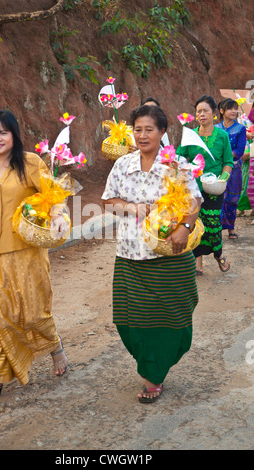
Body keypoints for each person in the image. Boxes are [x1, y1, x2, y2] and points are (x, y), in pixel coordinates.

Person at [102, 105, 202, 403]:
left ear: (162, 132)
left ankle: (153, 376)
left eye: (149, 129)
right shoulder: (123, 164)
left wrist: (185, 226)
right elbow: (108, 200)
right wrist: (131, 207)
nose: (142, 135)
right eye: (138, 129)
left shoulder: (176, 164)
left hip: (167, 257)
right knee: (128, 320)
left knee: (169, 319)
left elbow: (194, 199)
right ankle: (149, 364)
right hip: (130, 255)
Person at [0, 110, 68, 405]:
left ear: (14, 134)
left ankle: (55, 345)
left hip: (28, 251)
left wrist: (58, 216)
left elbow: (54, 194)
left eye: (3, 132)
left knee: (34, 311)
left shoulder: (31, 163)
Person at [179, 95, 233, 275]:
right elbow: (180, 157)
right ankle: (198, 265)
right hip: (194, 190)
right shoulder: (190, 135)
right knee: (195, 225)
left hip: (214, 189)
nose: (201, 114)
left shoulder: (222, 136)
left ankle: (219, 255)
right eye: (198, 112)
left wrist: (222, 179)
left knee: (213, 224)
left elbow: (228, 162)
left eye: (205, 111)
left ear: (214, 113)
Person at [215, 98, 247, 239]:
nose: (234, 111)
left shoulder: (240, 128)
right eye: (230, 108)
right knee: (218, 197)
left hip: (234, 168)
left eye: (235, 108)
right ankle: (216, 229)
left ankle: (230, 229)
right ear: (222, 111)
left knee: (232, 197)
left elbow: (240, 151)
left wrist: (224, 157)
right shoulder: (215, 129)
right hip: (218, 168)